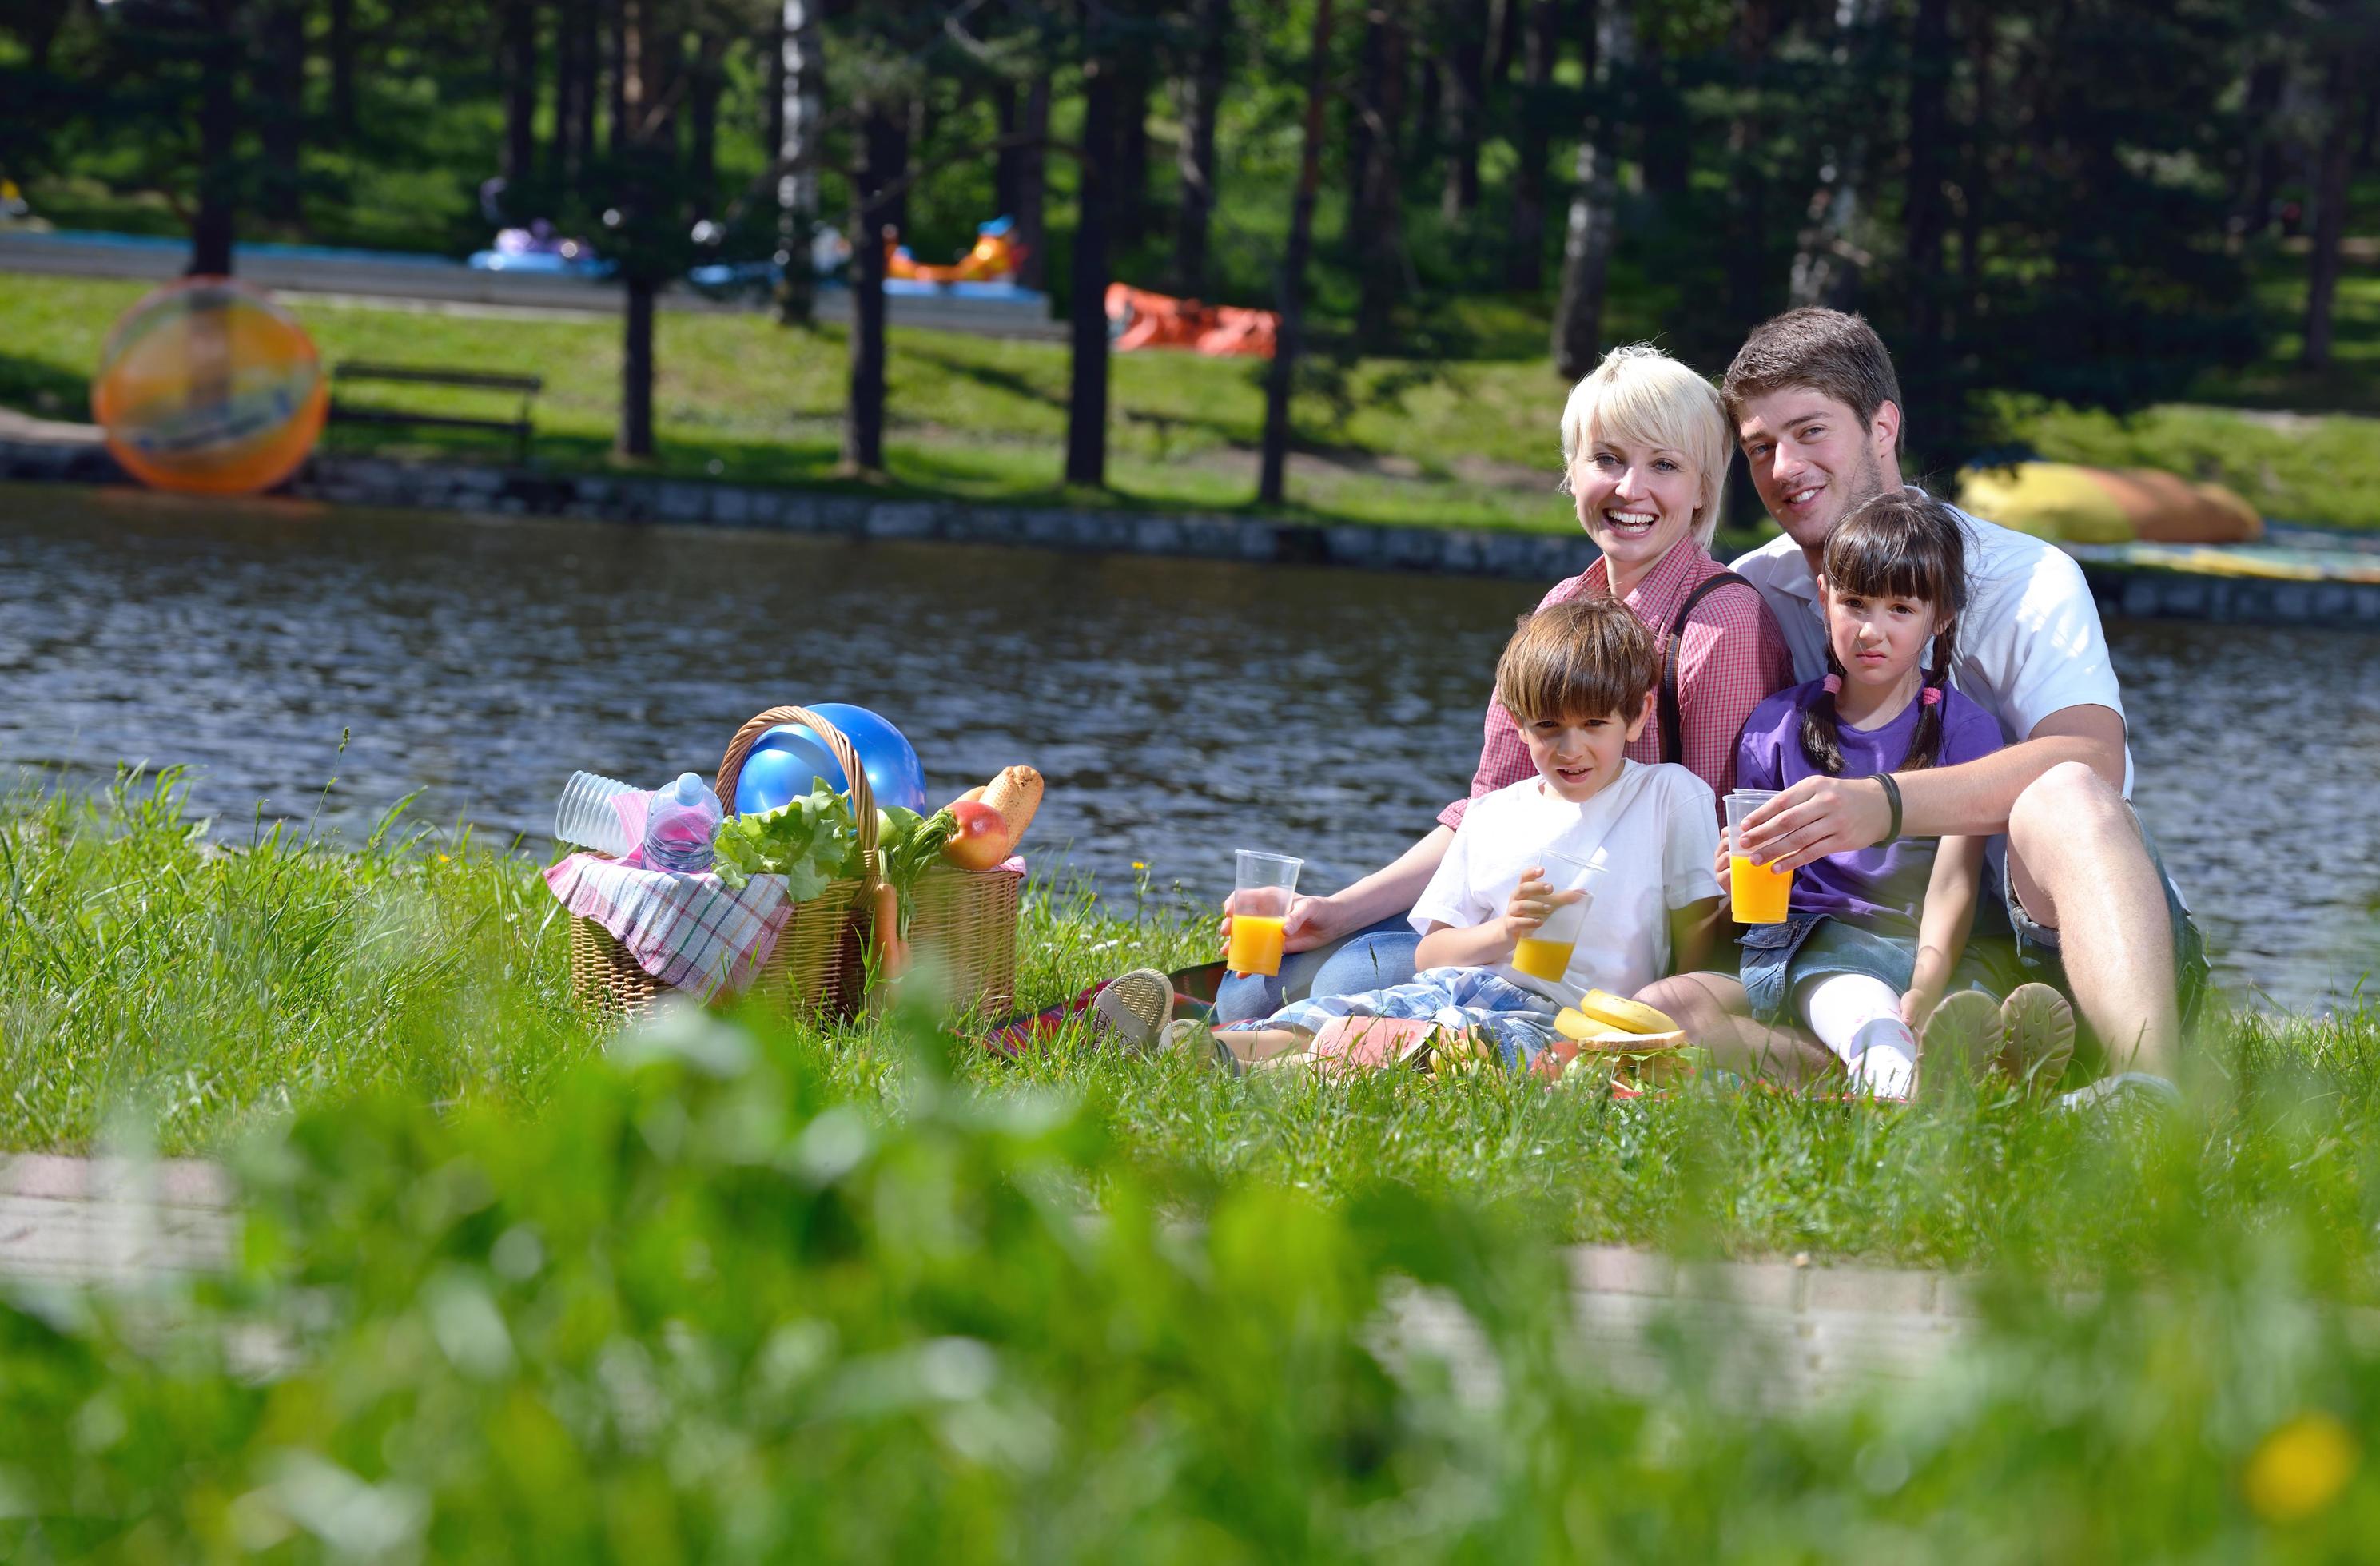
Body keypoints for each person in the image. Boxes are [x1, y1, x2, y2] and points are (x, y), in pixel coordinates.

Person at [1705, 307, 2207, 1105]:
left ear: (1881, 427)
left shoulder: (2027, 578)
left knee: (2065, 789)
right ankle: (1938, 1068)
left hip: (2061, 932)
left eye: (1808, 432)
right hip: (1869, 949)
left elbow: (2094, 756)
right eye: (1759, 448)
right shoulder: (1755, 587)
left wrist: (1886, 804)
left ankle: (2148, 1090)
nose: (1782, 468)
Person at [1214, 343, 1792, 1026]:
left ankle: (1289, 1045)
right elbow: (1484, 813)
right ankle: (1236, 1033)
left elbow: (1714, 855)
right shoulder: (1560, 607)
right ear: (1571, 472)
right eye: (1606, 459)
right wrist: (1338, 908)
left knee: (1337, 976)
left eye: (1663, 465)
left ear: (1703, 488)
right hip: (1505, 927)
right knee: (1253, 982)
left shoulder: (1719, 624)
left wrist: (1671, 1007)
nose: (1630, 489)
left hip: (1614, 961)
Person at [1640, 491, 2076, 1099]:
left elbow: (1955, 881)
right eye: (1854, 604)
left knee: (1870, 996)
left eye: (1901, 609)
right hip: (1802, 948)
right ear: (1823, 598)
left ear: (1940, 616)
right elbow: (1759, 892)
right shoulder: (1775, 727)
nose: (1873, 631)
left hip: (1925, 950)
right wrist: (1728, 885)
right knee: (1664, 1006)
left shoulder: (1964, 729)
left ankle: (1901, 1078)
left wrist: (1925, 981)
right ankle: (1941, 1071)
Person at [1181, 600, 1721, 1071]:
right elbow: (1431, 953)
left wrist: (1674, 1025)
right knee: (1343, 1012)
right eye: (1548, 727)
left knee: (1449, 1045)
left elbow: (1696, 934)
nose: (1570, 749)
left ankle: (1258, 1067)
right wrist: (1503, 933)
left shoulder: (1667, 796)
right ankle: (1204, 1049)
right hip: (1461, 984)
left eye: (1594, 726)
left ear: (1637, 716)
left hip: (1572, 1017)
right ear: (1517, 722)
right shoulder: (1491, 815)